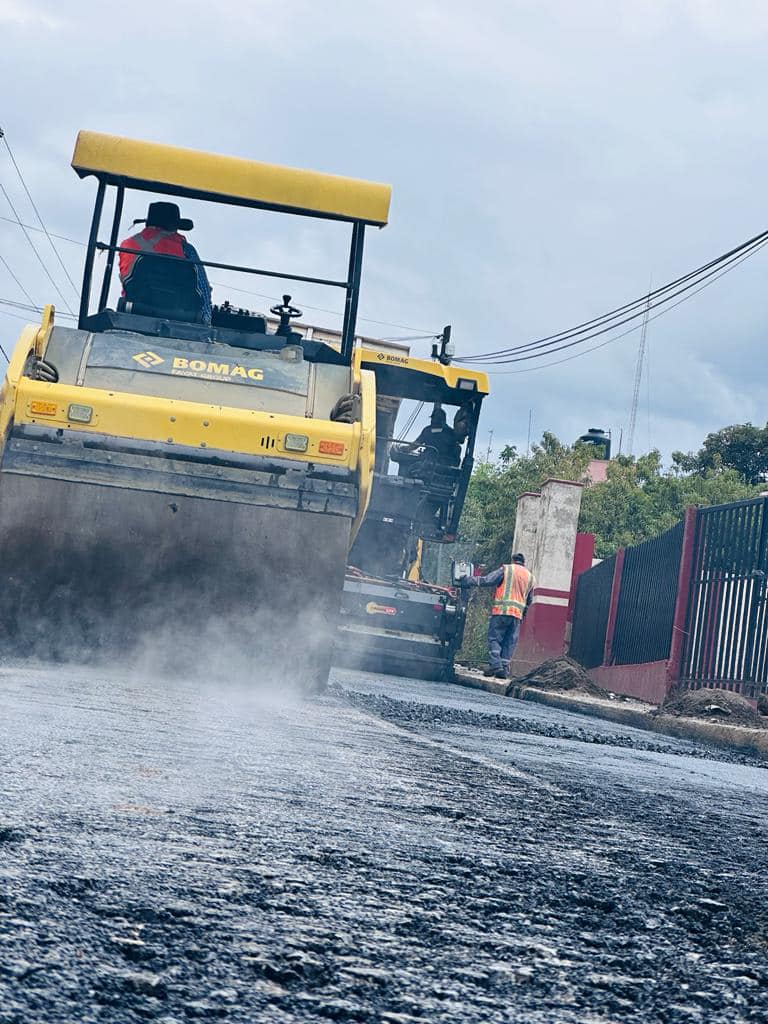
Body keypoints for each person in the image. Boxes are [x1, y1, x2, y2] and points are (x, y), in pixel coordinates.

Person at [119, 202, 212, 324]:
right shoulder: (187, 249)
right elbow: (203, 288)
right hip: (180, 319)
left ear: (148, 223)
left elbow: (127, 283)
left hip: (133, 314)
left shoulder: (127, 244)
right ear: (174, 226)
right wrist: (206, 321)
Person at [460, 553, 534, 678]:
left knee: (494, 639)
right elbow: (529, 600)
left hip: (502, 612)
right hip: (517, 616)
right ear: (523, 562)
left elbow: (488, 580)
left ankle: (496, 665)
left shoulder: (507, 569)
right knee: (509, 642)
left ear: (513, 560)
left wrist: (467, 580)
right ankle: (503, 669)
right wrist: (523, 613)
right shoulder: (530, 577)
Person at [391, 406, 461, 477]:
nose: (432, 421)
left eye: (433, 419)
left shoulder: (428, 430)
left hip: (428, 464)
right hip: (446, 468)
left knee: (409, 464)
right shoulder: (451, 433)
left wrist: (403, 448)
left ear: (436, 419)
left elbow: (414, 446)